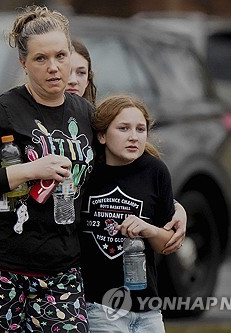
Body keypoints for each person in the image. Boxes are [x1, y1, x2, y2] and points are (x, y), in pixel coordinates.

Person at [0, 5, 94, 333]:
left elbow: (119, 173)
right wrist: (29, 170)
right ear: (23, 64)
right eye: (41, 59)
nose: (53, 68)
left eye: (60, 55)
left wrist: (172, 207)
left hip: (60, 268)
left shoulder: (85, 113)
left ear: (72, 55)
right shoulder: (1, 112)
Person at [65, 39, 186, 254]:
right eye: (67, 71)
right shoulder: (33, 121)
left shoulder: (97, 122)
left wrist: (175, 208)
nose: (73, 80)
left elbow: (146, 192)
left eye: (81, 72)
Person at [80, 94, 176, 332]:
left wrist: (149, 229)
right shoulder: (87, 173)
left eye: (140, 129)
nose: (134, 136)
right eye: (123, 128)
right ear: (102, 135)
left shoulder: (155, 171)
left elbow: (167, 244)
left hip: (147, 310)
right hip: (100, 307)